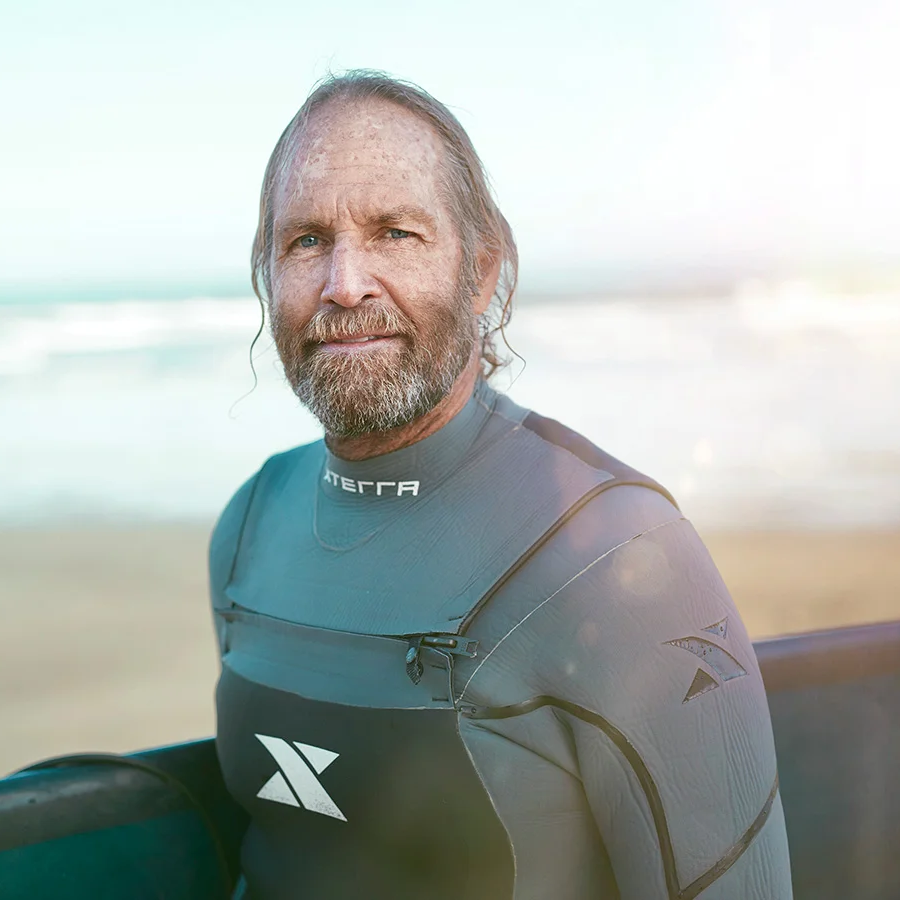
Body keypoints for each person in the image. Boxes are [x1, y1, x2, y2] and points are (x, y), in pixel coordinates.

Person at [208, 69, 793, 899]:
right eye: (305, 240)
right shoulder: (248, 529)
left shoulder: (616, 559)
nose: (344, 282)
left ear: (483, 273)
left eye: (395, 233)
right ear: (269, 276)